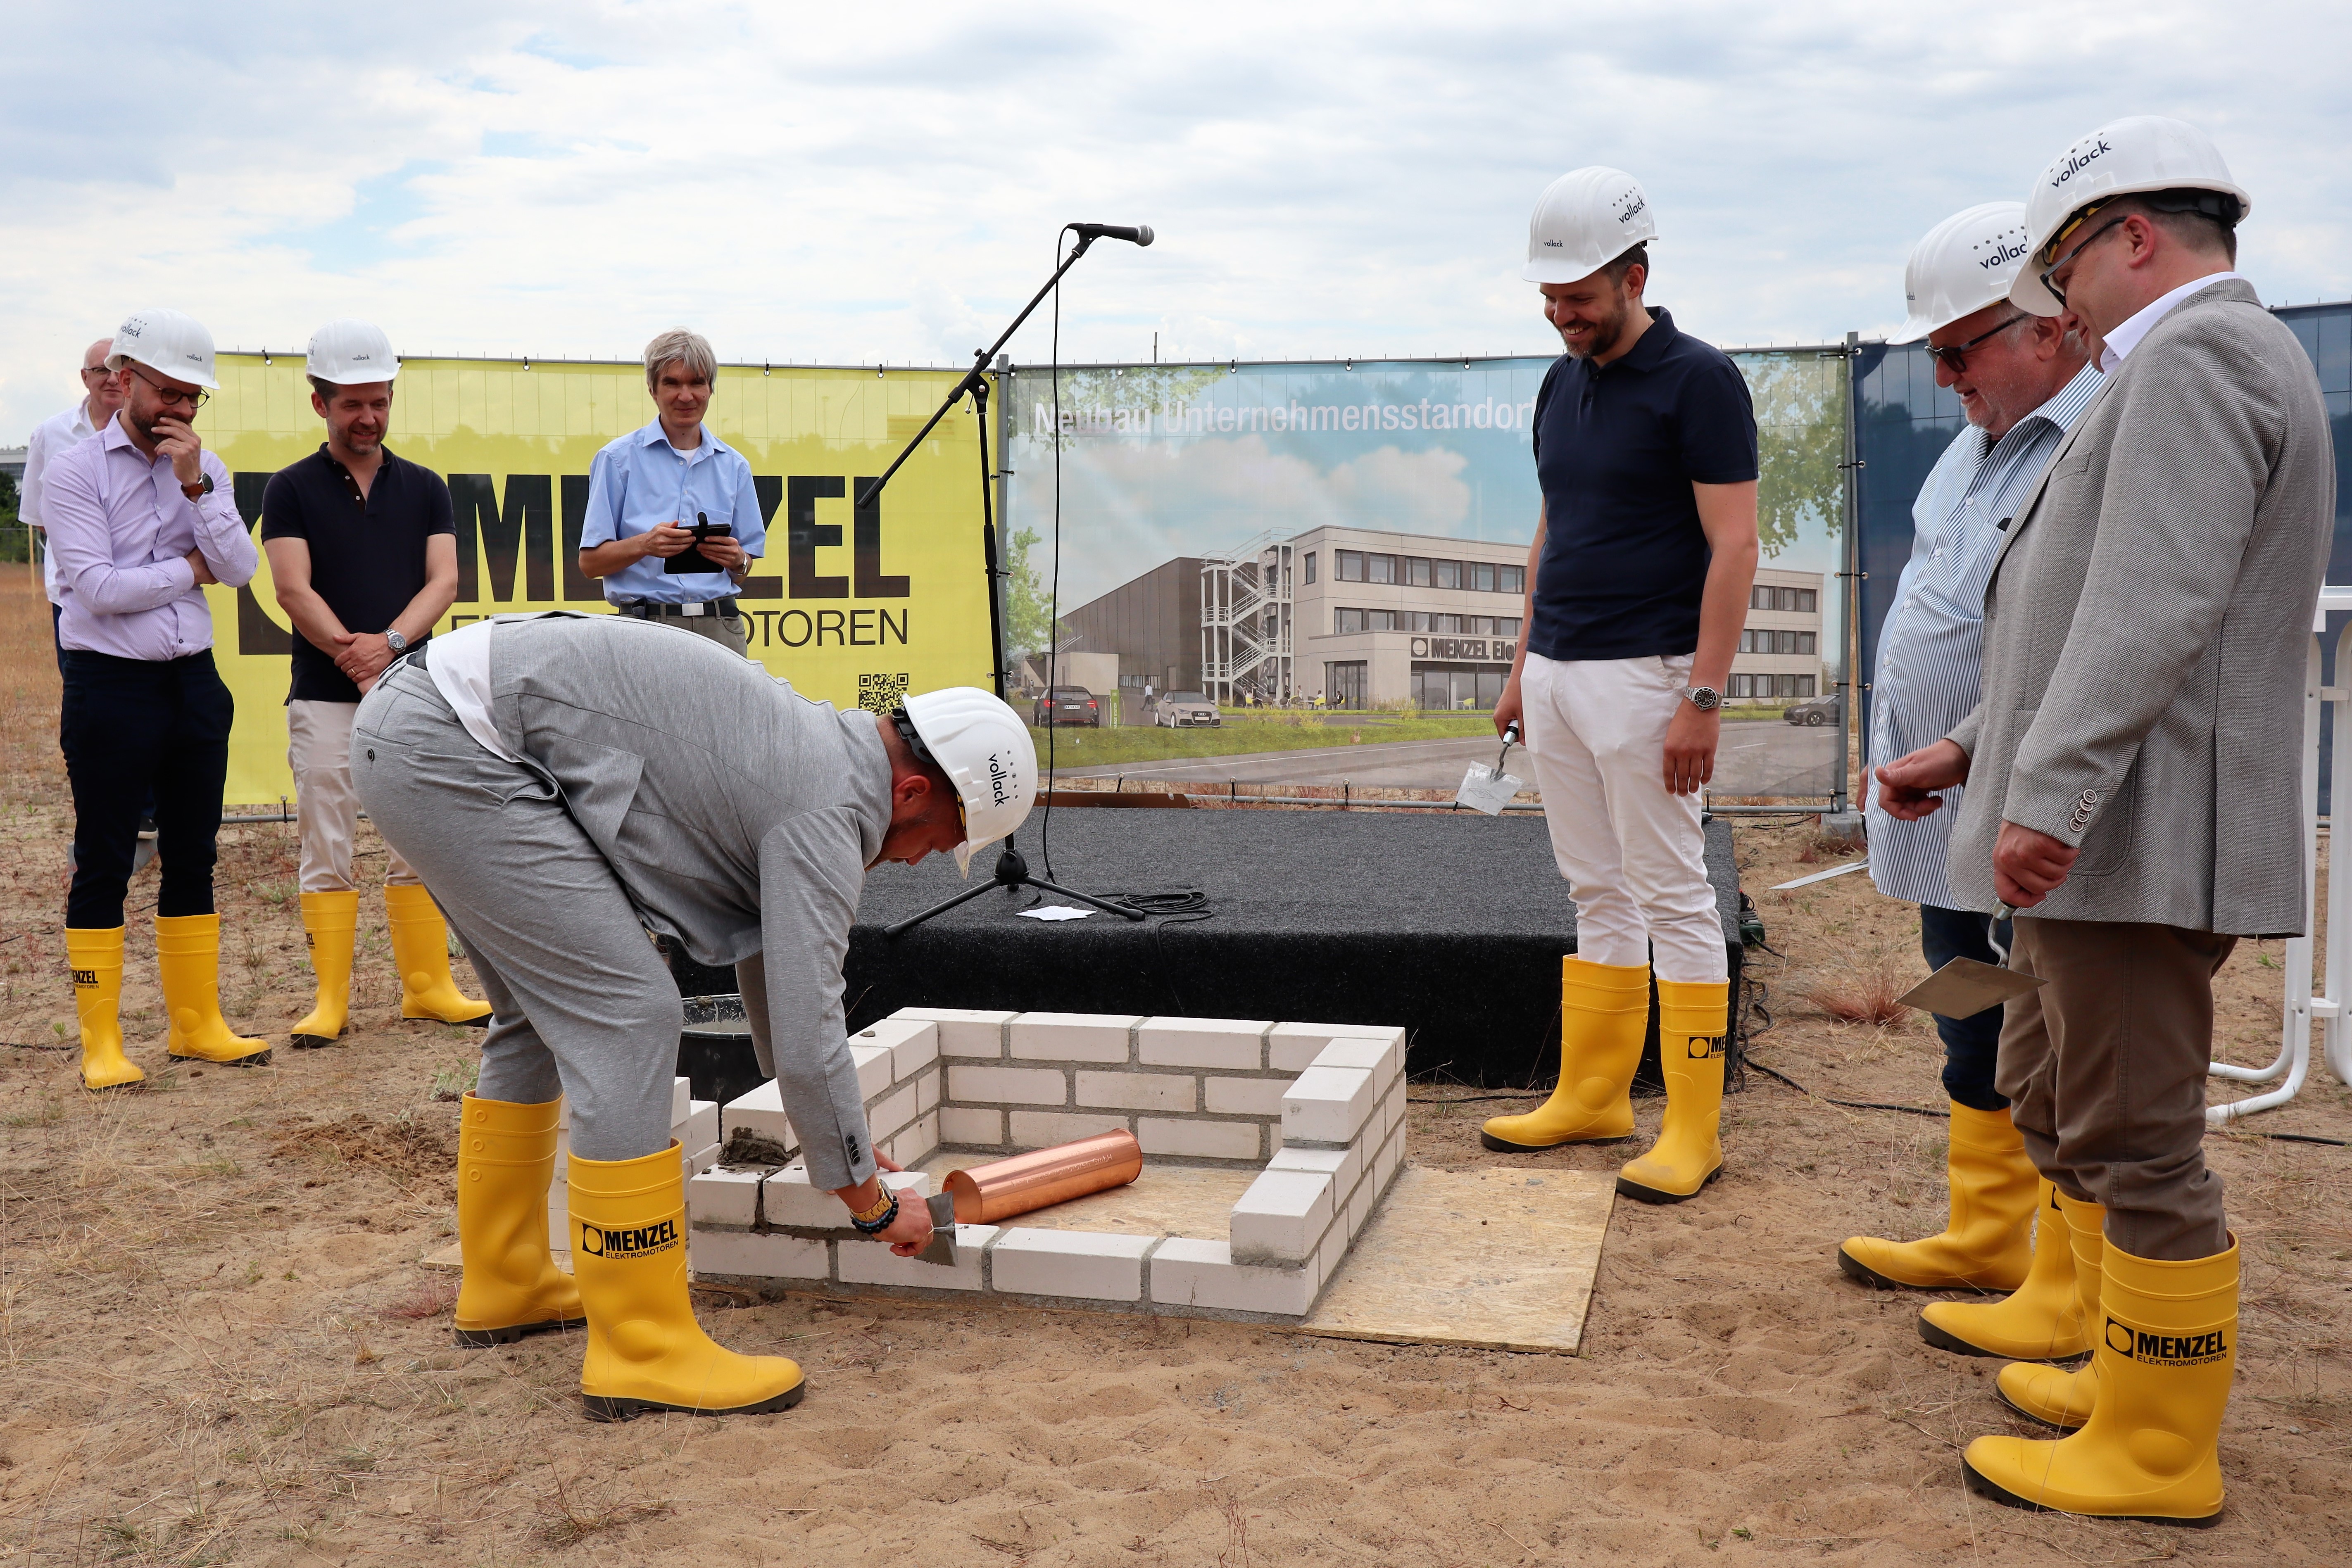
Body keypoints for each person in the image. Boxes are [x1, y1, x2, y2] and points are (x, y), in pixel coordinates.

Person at [1878, 117, 2333, 1524]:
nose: (2054, 306)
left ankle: (2153, 1448)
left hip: (2132, 838)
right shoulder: (2195, 363)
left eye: (2060, 271)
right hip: (2106, 832)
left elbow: (2151, 610)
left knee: (2138, 1138)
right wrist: (1978, 748)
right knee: (2062, 1095)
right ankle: (2110, 1354)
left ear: (2130, 236)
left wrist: (2049, 796)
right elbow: (2088, 612)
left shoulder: (2195, 359)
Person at [352, 611, 1034, 1420]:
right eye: (940, 838)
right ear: (914, 789)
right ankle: (639, 1345)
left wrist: (845, 1146)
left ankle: (506, 1279)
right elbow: (813, 1036)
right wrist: (872, 1201)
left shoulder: (814, 763)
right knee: (627, 1012)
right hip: (451, 741)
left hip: (425, 724)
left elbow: (780, 1002)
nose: (922, 859)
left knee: (538, 1014)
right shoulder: (825, 808)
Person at [1836, 206, 2103, 1365]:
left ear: (2047, 323)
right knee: (1965, 996)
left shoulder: (2096, 437)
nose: (1943, 377)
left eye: (1961, 349)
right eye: (1930, 354)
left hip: (2019, 797)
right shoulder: (1975, 439)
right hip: (1937, 795)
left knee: (2047, 1040)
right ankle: (1986, 1230)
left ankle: (2054, 1269)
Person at [1482, 167, 1761, 1206]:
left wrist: (1703, 697)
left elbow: (1734, 546)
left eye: (1580, 298)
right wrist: (1520, 669)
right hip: (1556, 673)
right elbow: (1553, 526)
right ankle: (1594, 1097)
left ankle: (1693, 1130)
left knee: (1674, 896)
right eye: (1549, 300)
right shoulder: (1562, 381)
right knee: (1594, 889)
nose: (1562, 316)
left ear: (1635, 276)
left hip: (1647, 679)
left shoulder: (1699, 380)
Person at [43, 309, 264, 1089]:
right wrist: (187, 571)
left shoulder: (205, 468)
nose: (179, 410)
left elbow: (239, 567)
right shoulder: (73, 472)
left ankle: (195, 1025)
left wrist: (197, 487)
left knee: (195, 853)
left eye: (192, 398)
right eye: (167, 393)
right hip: (110, 685)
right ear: (124, 381)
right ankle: (101, 1043)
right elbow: (98, 591)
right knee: (104, 857)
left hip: (193, 682)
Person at [261, 319, 488, 1048]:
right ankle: (330, 1000)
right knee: (326, 836)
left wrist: (389, 646)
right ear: (319, 402)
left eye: (379, 401)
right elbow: (292, 589)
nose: (368, 417)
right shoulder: (289, 488)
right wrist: (350, 654)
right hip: (324, 692)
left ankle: (427, 988)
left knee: (417, 837)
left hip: (414, 686)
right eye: (352, 403)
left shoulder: (425, 487)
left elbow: (445, 580)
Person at [577, 329, 764, 653]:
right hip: (644, 630)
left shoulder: (734, 467)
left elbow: (744, 570)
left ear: (710, 389)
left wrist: (737, 560)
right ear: (652, 389)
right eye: (672, 383)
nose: (686, 395)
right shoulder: (617, 461)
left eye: (697, 383)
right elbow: (590, 564)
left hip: (721, 628)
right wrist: (645, 544)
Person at [21, 339, 128, 662]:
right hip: (72, 594)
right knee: (82, 691)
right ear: (85, 377)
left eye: (118, 370)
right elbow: (40, 517)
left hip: (137, 586)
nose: (111, 378)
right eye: (101, 370)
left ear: (130, 378)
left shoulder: (153, 434)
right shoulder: (50, 435)